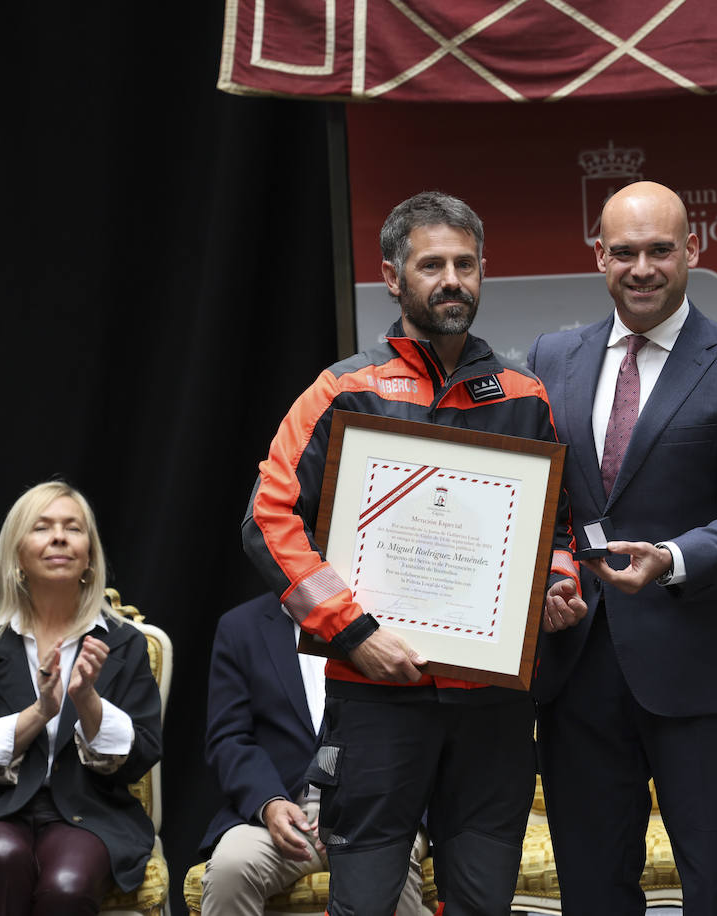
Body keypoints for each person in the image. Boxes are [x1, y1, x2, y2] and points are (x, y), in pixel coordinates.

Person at [242, 191, 584, 916]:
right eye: (432, 264)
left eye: (465, 263)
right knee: (364, 902)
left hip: (492, 703)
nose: (451, 279)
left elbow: (557, 528)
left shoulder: (525, 396)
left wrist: (554, 586)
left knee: (483, 901)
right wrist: (354, 633)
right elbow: (268, 520)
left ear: (485, 270)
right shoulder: (344, 390)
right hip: (377, 696)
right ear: (394, 278)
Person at [526, 180, 717, 915]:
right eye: (623, 252)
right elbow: (541, 497)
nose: (641, 267)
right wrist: (552, 569)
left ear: (692, 251)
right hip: (578, 668)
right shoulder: (551, 356)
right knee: (592, 891)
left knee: (713, 890)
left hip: (702, 673)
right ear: (598, 257)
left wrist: (672, 560)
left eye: (659, 250)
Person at [0, 481, 162, 915]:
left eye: (73, 527)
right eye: (42, 527)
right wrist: (40, 712)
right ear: (17, 555)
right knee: (3, 856)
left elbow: (143, 752)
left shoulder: (123, 644)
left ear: (89, 555)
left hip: (91, 811)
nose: (59, 537)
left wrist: (87, 702)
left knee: (66, 886)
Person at [198, 592, 432, 916]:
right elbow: (229, 738)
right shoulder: (241, 626)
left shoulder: (392, 617)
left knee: (390, 866)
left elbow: (420, 730)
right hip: (284, 813)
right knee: (229, 869)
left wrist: (361, 807)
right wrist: (270, 804)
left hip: (379, 809)